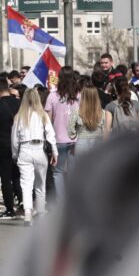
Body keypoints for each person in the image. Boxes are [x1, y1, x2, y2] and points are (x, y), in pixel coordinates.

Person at [12, 85, 57, 225]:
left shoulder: (19, 116)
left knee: (26, 184)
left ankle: (27, 212)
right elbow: (50, 134)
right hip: (39, 149)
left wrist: (15, 154)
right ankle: (41, 212)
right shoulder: (42, 115)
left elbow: (14, 139)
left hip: (25, 149)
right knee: (40, 183)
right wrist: (54, 152)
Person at [0, 79, 21, 220]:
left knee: (6, 178)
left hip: (3, 143)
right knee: (18, 176)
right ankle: (23, 204)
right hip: (20, 144)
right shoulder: (20, 103)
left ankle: (9, 209)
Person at [44, 67, 79, 195]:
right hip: (76, 139)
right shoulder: (78, 95)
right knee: (73, 172)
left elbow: (47, 120)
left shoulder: (53, 96)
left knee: (58, 172)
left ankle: (62, 203)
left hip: (58, 139)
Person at [68, 85, 105, 155]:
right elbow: (105, 130)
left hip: (81, 143)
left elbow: (70, 132)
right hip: (98, 143)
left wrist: (75, 134)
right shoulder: (103, 113)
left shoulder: (77, 113)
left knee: (82, 166)